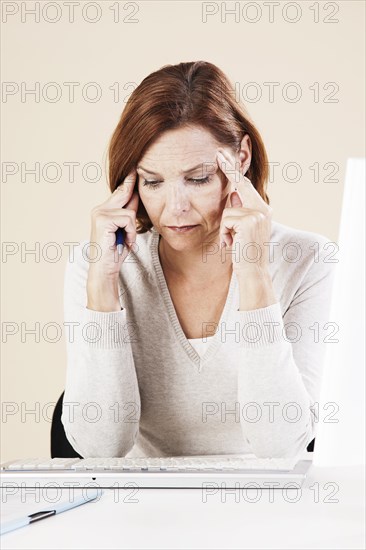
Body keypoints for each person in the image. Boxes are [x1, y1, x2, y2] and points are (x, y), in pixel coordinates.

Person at [61, 61, 336, 458]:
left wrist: (254, 274)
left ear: (240, 157)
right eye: (153, 182)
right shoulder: (98, 264)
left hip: (270, 509)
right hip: (143, 510)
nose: (175, 209)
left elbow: (282, 447)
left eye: (198, 179)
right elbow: (100, 448)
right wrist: (103, 286)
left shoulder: (307, 260)